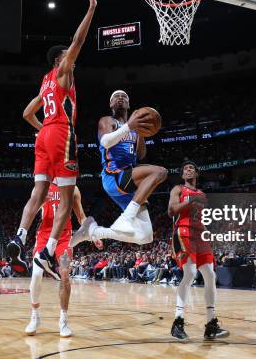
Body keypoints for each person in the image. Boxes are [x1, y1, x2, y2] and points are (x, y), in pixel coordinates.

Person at [6, 0, 98, 280]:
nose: (73, 59)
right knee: (68, 195)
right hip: (61, 132)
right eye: (68, 56)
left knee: (39, 191)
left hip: (44, 134)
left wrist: (40, 129)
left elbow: (25, 113)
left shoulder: (44, 80)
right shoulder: (62, 72)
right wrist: (91, 8)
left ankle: (19, 236)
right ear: (61, 60)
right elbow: (79, 40)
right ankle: (48, 252)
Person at [70, 90, 167, 247]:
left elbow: (141, 155)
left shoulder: (134, 129)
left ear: (129, 104)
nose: (120, 98)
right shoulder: (107, 121)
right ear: (111, 104)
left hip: (129, 183)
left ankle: (94, 231)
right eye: (116, 97)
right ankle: (125, 218)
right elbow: (106, 142)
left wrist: (140, 132)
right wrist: (129, 126)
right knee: (160, 172)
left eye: (124, 97)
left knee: (146, 236)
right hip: (113, 176)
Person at [167, 160, 228, 340]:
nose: (188, 170)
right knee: (190, 273)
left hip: (200, 233)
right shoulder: (178, 189)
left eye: (191, 168)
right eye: (185, 168)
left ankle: (211, 325)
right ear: (182, 174)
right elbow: (171, 210)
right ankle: (178, 321)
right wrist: (190, 201)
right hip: (183, 231)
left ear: (196, 173)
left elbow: (202, 216)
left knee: (210, 275)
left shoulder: (202, 194)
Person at [26, 182, 91, 337]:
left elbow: (81, 216)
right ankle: (35, 315)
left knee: (65, 274)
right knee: (36, 274)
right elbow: (31, 211)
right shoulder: (41, 186)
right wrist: (41, 201)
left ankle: (63, 320)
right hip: (44, 236)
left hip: (64, 238)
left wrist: (92, 233)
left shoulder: (73, 188)